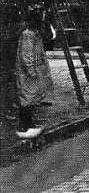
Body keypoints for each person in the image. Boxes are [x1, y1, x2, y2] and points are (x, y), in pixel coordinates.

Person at [14, 11, 54, 139]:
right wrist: (31, 70)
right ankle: (24, 127)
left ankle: (28, 124)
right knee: (27, 97)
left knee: (31, 97)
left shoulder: (34, 34)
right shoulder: (28, 35)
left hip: (33, 72)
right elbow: (26, 55)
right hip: (27, 74)